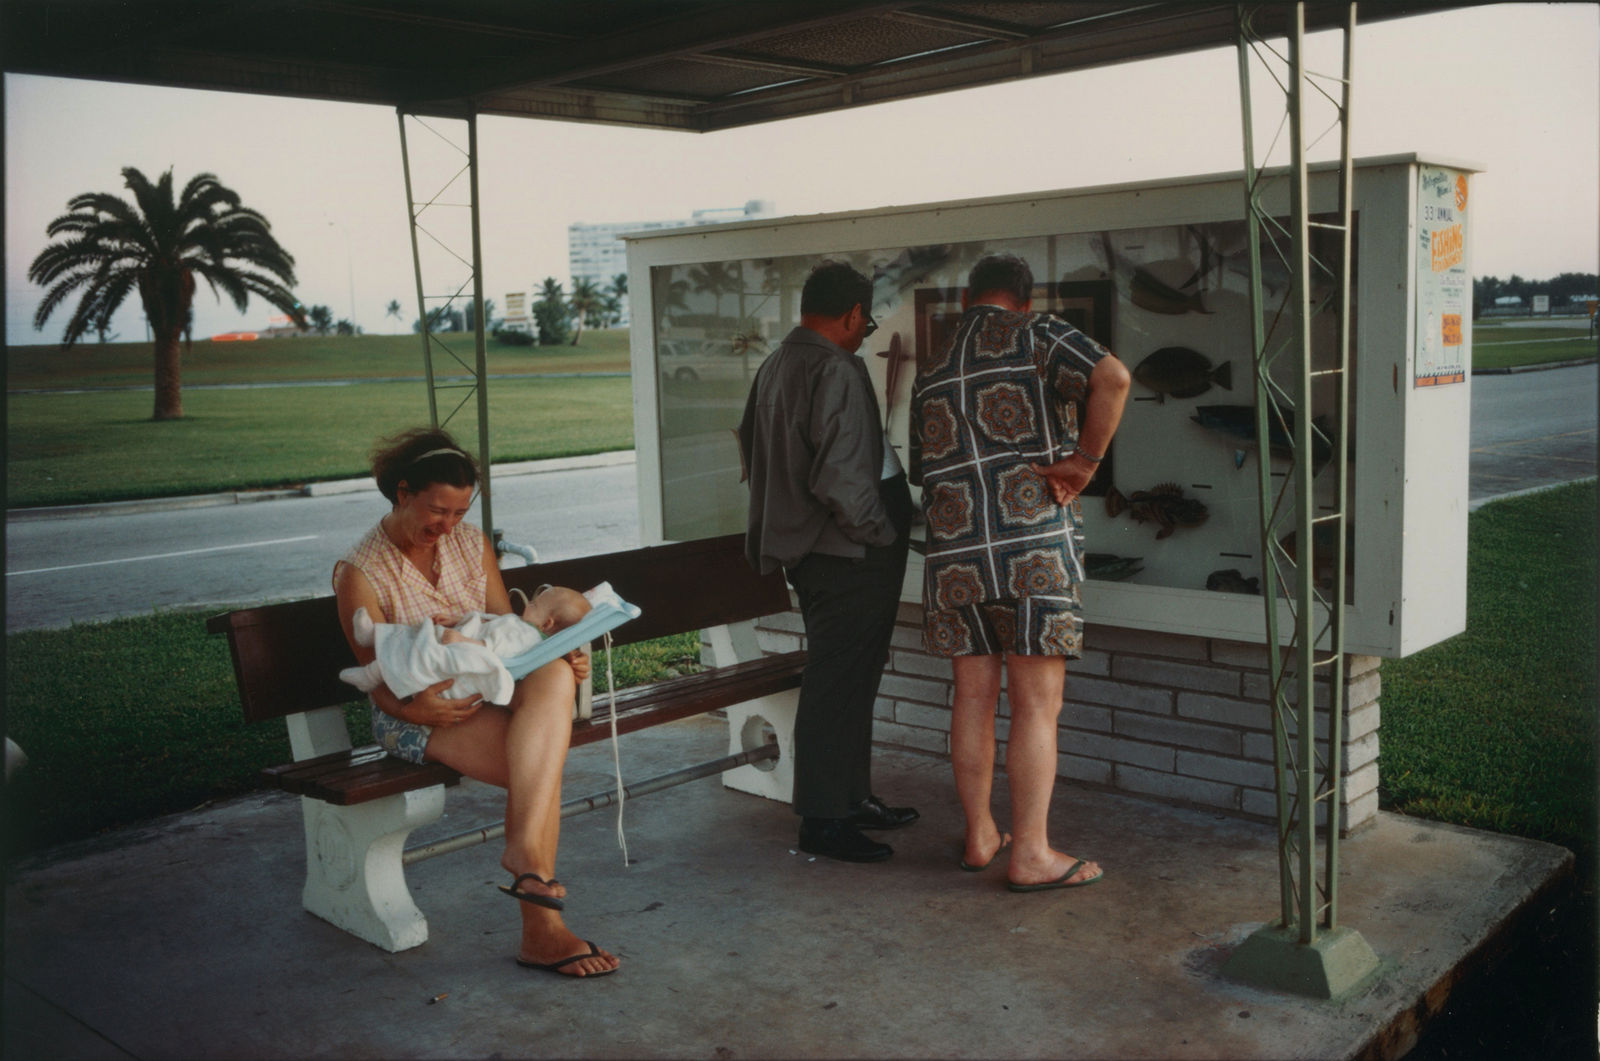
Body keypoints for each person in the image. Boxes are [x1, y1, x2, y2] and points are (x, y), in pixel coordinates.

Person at [332, 428, 619, 977]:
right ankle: (541, 927)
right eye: (438, 511)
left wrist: (561, 651)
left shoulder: (469, 543)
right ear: (402, 493)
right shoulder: (359, 572)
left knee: (555, 679)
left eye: (460, 513)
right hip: (416, 710)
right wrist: (415, 711)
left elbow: (508, 633)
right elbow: (381, 680)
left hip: (488, 687)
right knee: (538, 769)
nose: (448, 526)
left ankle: (528, 870)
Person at [910, 253, 1131, 892]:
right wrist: (1085, 463)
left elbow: (925, 469)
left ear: (969, 299)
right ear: (1025, 301)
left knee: (972, 699)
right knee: (1036, 704)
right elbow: (1113, 378)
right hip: (1030, 550)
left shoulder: (932, 367)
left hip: (955, 557)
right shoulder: (1037, 334)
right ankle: (1031, 853)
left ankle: (981, 835)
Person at [737, 260, 920, 863]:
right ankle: (823, 819)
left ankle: (849, 797)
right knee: (838, 683)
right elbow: (840, 477)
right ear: (853, 314)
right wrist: (880, 531)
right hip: (848, 552)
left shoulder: (778, 362)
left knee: (850, 678)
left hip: (821, 551)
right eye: (867, 322)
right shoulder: (834, 367)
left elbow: (750, 446)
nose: (866, 331)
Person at [338, 585, 593, 708]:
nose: (528, 604)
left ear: (547, 623)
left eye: (535, 605)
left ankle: (371, 674)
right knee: (418, 633)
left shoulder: (527, 636)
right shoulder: (523, 626)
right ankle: (374, 634)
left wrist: (463, 640)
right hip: (462, 642)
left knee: (421, 653)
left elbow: (494, 651)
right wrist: (457, 620)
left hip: (465, 658)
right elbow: (492, 622)